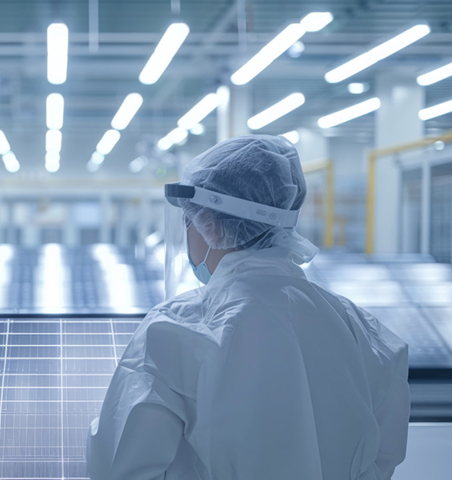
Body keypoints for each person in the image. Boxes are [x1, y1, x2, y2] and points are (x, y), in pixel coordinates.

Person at [87, 135, 409, 479]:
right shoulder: (361, 329)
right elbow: (382, 458)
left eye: (189, 221)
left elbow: (121, 467)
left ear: (208, 223)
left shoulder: (175, 330)